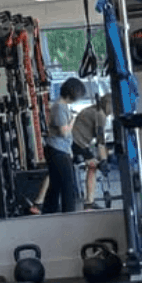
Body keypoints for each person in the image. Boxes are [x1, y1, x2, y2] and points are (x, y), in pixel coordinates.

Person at [41, 78, 84, 215]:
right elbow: (63, 132)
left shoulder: (62, 106)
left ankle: (49, 212)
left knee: (56, 185)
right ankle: (69, 214)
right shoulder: (59, 107)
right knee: (67, 186)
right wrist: (73, 120)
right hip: (58, 150)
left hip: (60, 149)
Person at [71, 93, 112, 211]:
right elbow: (100, 141)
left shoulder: (93, 109)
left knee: (92, 166)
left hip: (76, 143)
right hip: (77, 144)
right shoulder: (101, 115)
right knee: (93, 165)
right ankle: (89, 203)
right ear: (108, 105)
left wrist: (103, 159)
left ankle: (89, 202)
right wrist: (104, 160)